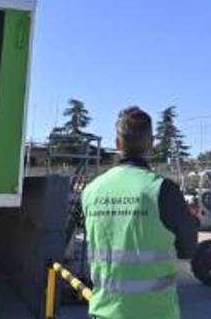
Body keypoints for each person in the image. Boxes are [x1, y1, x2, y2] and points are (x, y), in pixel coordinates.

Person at [81, 106, 198, 319]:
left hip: (103, 312)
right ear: (151, 144)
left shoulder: (91, 191)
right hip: (156, 313)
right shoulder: (163, 190)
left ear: (117, 144)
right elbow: (188, 249)